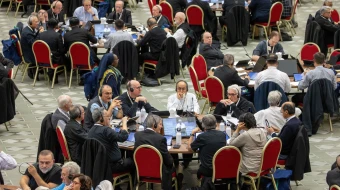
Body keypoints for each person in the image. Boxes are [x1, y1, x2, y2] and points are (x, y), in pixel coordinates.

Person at [134, 115, 183, 190]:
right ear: (154, 125)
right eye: (160, 124)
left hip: (141, 171)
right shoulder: (160, 139)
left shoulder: (137, 135)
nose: (162, 126)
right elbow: (169, 161)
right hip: (159, 172)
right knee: (173, 167)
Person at [88, 108, 135, 174]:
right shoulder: (106, 130)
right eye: (107, 116)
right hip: (112, 165)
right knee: (132, 161)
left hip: (98, 165)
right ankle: (133, 183)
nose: (109, 118)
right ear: (101, 118)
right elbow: (123, 137)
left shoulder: (91, 131)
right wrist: (124, 123)